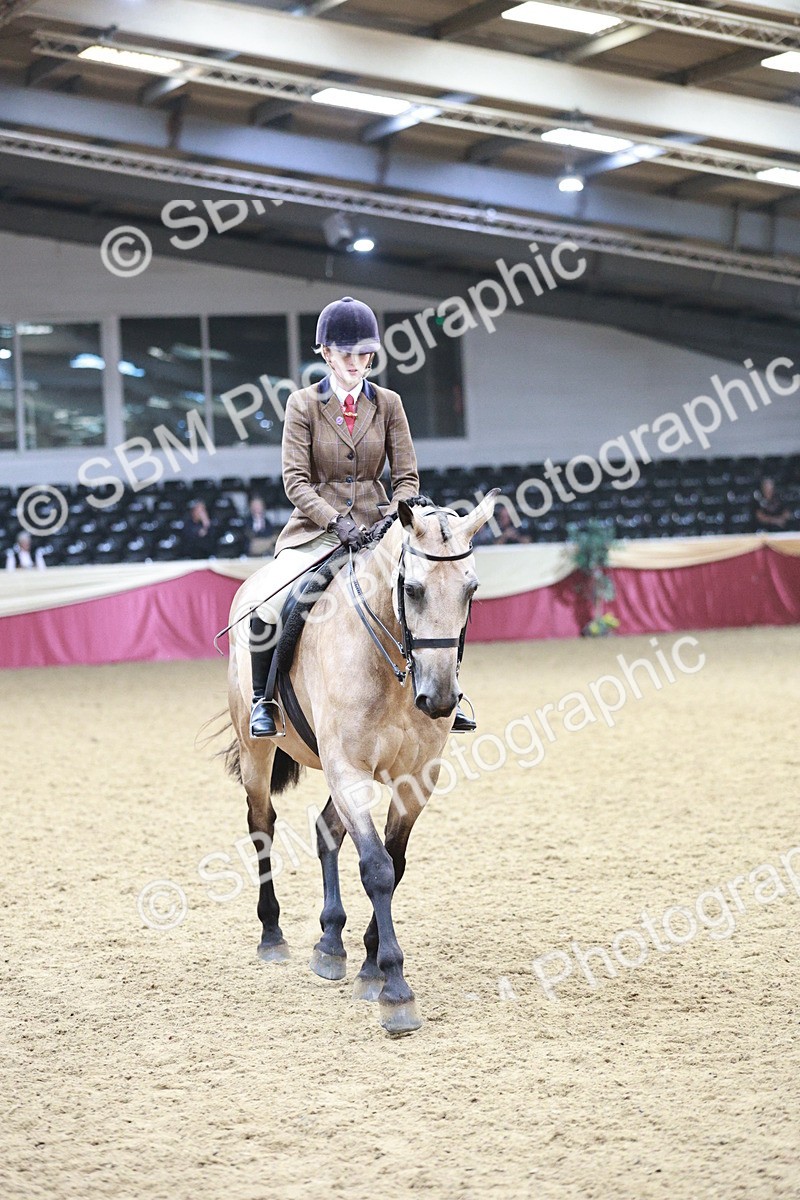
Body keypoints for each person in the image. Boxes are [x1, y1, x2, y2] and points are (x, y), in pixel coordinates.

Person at [248, 295, 476, 737]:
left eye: (365, 353)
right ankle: (265, 700)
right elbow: (295, 482)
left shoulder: (389, 403)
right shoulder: (302, 405)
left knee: (437, 595)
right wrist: (336, 522)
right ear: (326, 353)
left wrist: (393, 520)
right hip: (315, 534)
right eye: (347, 353)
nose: (357, 361)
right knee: (270, 607)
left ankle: (452, 688)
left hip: (380, 531)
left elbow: (407, 478)